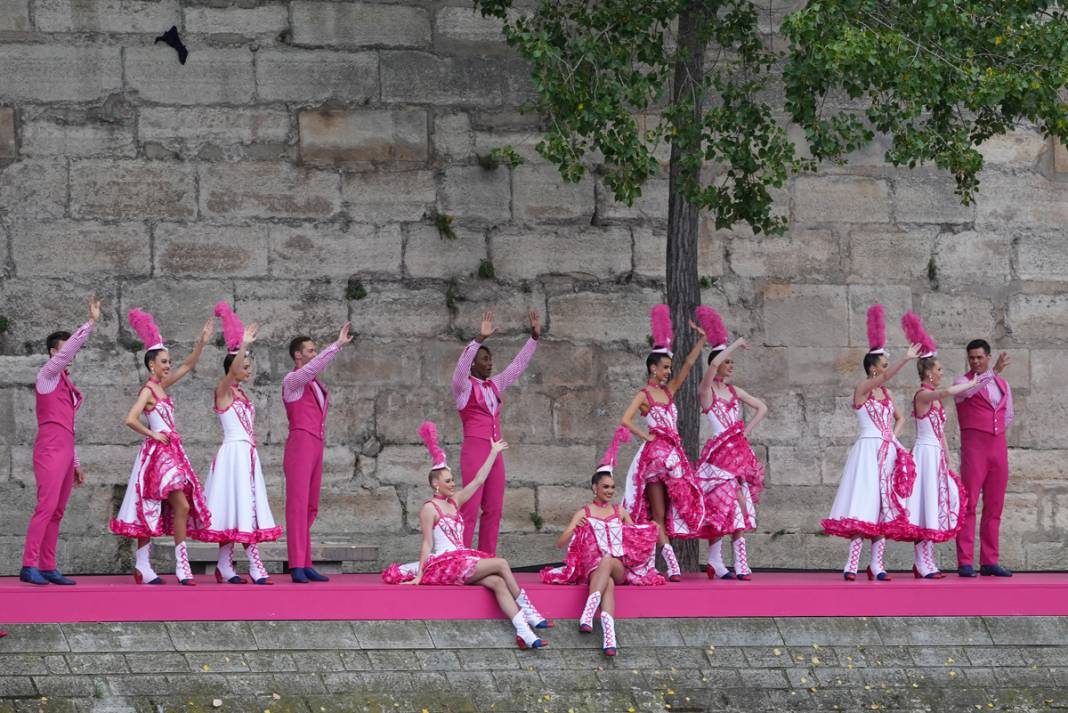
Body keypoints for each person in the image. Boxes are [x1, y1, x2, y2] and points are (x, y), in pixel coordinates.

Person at [382, 422, 550, 650]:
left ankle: (524, 632)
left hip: (462, 560)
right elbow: (427, 543)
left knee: (498, 582)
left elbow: (479, 480)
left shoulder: (455, 501)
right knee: (501, 563)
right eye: (448, 481)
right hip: (444, 563)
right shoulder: (429, 508)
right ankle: (529, 610)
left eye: (452, 480)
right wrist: (420, 575)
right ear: (435, 484)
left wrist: (492, 452)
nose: (453, 484)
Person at [111, 310, 214, 585]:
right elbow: (130, 419)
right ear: (152, 365)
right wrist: (153, 434)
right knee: (161, 505)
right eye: (164, 362)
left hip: (173, 453)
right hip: (158, 454)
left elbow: (189, 365)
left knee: (171, 506)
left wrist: (201, 343)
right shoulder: (148, 390)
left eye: (169, 361)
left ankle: (163, 566)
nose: (169, 365)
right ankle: (157, 566)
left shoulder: (163, 387)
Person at [542, 427, 665, 656]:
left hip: (617, 566)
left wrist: (646, 531)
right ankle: (610, 638)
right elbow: (561, 542)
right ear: (594, 488)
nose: (610, 491)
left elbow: (633, 538)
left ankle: (588, 613)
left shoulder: (620, 512)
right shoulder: (584, 512)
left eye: (612, 487)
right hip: (593, 570)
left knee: (608, 561)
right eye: (605, 487)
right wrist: (574, 530)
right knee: (605, 582)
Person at [823, 304, 921, 581]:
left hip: (885, 449)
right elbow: (886, 379)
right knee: (865, 503)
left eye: (887, 366)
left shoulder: (886, 394)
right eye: (884, 366)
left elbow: (900, 417)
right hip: (867, 450)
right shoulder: (862, 389)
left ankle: (877, 565)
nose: (886, 370)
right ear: (872, 368)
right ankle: (852, 563)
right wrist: (905, 359)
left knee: (883, 504)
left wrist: (892, 436)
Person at [194, 303, 281, 585]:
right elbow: (230, 373)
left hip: (247, 455)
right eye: (244, 366)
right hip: (233, 453)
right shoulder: (223, 391)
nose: (248, 369)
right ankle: (255, 566)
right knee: (239, 505)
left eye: (248, 366)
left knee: (240, 507)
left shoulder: (242, 394)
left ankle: (225, 565)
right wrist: (241, 344)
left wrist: (242, 346)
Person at [620, 304, 706, 581]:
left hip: (673, 456)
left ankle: (670, 560)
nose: (669, 371)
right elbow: (626, 420)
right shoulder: (644, 394)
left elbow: (689, 366)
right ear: (653, 368)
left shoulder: (668, 392)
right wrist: (645, 436)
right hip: (657, 458)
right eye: (665, 367)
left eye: (670, 367)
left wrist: (702, 339)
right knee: (657, 511)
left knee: (678, 507)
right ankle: (673, 564)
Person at [20, 295, 101, 586]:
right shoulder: (47, 375)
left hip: (65, 450)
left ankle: (47, 565)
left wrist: (76, 462)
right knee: (46, 505)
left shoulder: (67, 385)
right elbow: (65, 355)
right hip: (50, 448)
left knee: (57, 510)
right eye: (64, 349)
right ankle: (29, 564)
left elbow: (71, 426)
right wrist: (90, 323)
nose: (70, 355)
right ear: (53, 352)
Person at [452, 309, 540, 555]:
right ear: (473, 363)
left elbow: (517, 366)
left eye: (490, 359)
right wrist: (478, 340)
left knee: (494, 508)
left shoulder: (495, 385)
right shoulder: (463, 388)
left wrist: (533, 339)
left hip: (495, 451)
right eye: (484, 359)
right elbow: (459, 368)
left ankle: (486, 557)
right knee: (470, 506)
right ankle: (462, 557)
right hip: (475, 449)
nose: (489, 363)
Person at [693, 306, 768, 580]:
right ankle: (719, 561)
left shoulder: (734, 391)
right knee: (723, 506)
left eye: (731, 361)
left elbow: (762, 407)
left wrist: (744, 431)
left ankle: (734, 562)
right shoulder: (707, 391)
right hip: (718, 459)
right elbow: (711, 365)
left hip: (736, 455)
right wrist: (733, 343)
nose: (731, 364)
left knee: (740, 504)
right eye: (728, 361)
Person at [901, 311, 974, 579]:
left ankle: (927, 560)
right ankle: (922, 561)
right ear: (929, 373)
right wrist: (969, 385)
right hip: (923, 454)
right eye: (939, 369)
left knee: (933, 504)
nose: (942, 373)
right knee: (923, 505)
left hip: (935, 454)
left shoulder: (934, 399)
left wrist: (947, 456)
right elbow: (942, 393)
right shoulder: (923, 395)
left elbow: (941, 431)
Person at [282, 322, 355, 583]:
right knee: (298, 505)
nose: (314, 355)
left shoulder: (313, 384)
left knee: (311, 506)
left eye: (315, 350)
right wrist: (336, 345)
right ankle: (295, 564)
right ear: (298, 355)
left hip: (315, 444)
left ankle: (305, 561)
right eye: (310, 350)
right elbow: (312, 368)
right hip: (300, 443)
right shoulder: (293, 381)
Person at [953, 338, 1014, 577]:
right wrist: (993, 371)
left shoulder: (1003, 384)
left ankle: (989, 560)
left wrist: (995, 429)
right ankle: (965, 561)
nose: (975, 361)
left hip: (997, 445)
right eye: (972, 358)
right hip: (975, 447)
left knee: (995, 505)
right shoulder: (962, 382)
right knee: (968, 504)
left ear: (988, 356)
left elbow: (1008, 414)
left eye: (980, 357)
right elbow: (970, 391)